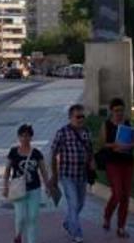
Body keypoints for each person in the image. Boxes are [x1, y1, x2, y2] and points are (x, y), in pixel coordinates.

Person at [50, 104, 94, 243]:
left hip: (82, 175)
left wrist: (92, 161)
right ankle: (77, 234)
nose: (81, 119)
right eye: (78, 116)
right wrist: (55, 175)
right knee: (73, 204)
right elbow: (53, 153)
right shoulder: (62, 132)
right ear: (70, 118)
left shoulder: (86, 131)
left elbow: (90, 150)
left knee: (80, 204)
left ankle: (68, 222)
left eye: (82, 116)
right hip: (67, 174)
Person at [2, 124, 51, 243]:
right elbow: (7, 170)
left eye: (27, 136)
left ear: (31, 137)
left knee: (33, 217)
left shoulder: (36, 153)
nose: (25, 139)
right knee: (21, 218)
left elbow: (43, 171)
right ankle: (18, 235)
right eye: (22, 136)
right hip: (18, 189)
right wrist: (5, 186)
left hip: (34, 188)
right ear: (18, 137)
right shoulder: (13, 152)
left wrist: (47, 186)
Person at [99, 97, 134, 238]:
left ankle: (121, 226)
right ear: (111, 111)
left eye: (121, 110)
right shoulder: (106, 125)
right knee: (118, 193)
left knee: (125, 196)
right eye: (116, 111)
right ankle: (107, 215)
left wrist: (127, 145)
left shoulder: (129, 124)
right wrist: (114, 145)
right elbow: (103, 143)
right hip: (113, 163)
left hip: (128, 163)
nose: (119, 113)